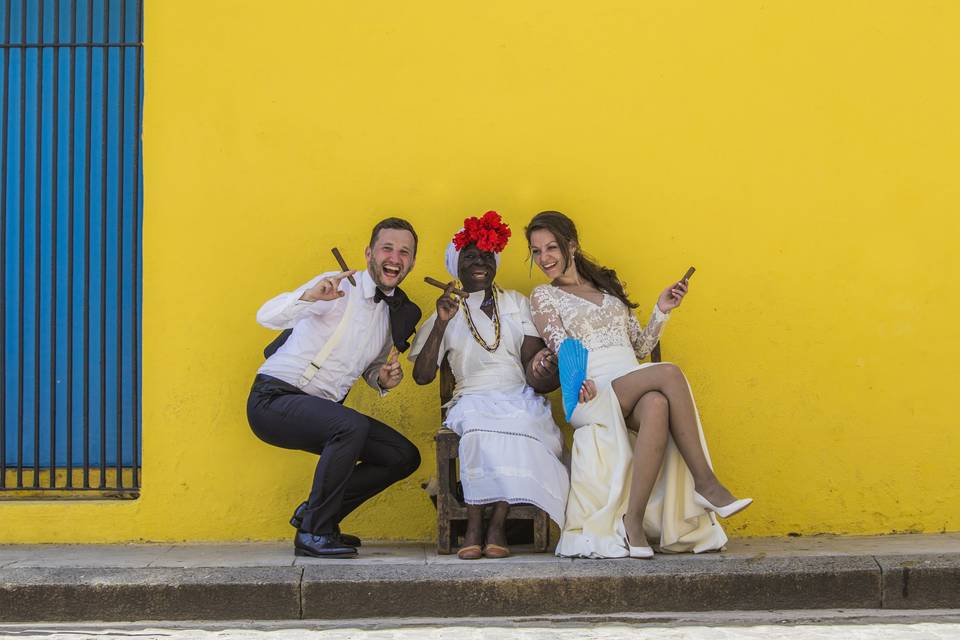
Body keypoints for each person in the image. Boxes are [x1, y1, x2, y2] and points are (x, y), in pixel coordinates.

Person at [525, 211, 751, 559]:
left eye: (551, 247)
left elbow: (640, 348)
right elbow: (560, 345)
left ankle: (633, 521)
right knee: (670, 373)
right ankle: (705, 482)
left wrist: (662, 310)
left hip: (630, 379)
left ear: (572, 245)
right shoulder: (543, 295)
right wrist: (576, 379)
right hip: (592, 390)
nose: (545, 258)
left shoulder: (606, 287)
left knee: (658, 404)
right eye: (536, 251)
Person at [247, 218, 423, 559]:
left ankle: (317, 514)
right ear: (369, 252)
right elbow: (266, 316)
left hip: (322, 413)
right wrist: (309, 296)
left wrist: (382, 379)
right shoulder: (336, 286)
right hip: (274, 398)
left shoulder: (392, 315)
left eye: (405, 252)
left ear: (412, 262)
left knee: (402, 456)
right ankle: (314, 531)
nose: (395, 257)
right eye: (387, 248)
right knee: (349, 425)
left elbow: (368, 367)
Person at [409, 211, 569, 560]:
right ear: (457, 265)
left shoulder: (515, 302)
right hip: (471, 396)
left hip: (516, 394)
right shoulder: (446, 308)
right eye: (470, 256)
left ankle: (493, 526)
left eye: (486, 256)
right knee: (479, 430)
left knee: (524, 422)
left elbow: (532, 371)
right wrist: (440, 322)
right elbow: (422, 376)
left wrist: (544, 365)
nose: (479, 262)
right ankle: (474, 526)